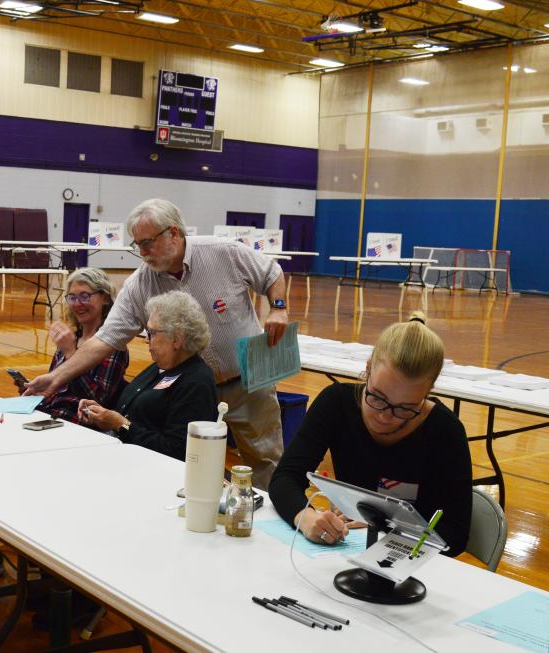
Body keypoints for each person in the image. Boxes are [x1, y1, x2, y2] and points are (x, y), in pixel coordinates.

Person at [25, 198, 288, 489]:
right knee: (194, 462)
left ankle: (269, 524)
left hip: (248, 379)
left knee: (264, 459)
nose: (142, 252)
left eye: (147, 242)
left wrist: (278, 307)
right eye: (137, 245)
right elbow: (105, 339)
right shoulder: (140, 284)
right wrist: (55, 378)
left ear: (173, 233)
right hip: (192, 391)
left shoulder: (222, 252)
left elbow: (272, 273)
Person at [268, 313, 472, 557]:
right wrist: (305, 516)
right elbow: (285, 478)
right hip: (347, 552)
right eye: (377, 397)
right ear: (367, 369)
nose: (385, 416)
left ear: (428, 392)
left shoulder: (445, 431)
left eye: (405, 409)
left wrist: (386, 531)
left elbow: (456, 533)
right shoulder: (336, 403)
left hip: (411, 564)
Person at [77, 291, 217, 459]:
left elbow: (177, 450)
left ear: (177, 339)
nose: (145, 339)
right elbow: (136, 408)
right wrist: (100, 412)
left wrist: (121, 425)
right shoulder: (160, 367)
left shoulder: (196, 382)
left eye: (151, 333)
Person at [12, 268, 128, 423]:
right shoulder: (71, 337)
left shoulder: (112, 345)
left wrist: (70, 353)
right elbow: (55, 390)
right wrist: (34, 392)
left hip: (75, 424)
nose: (78, 304)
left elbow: (97, 400)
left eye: (85, 296)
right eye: (72, 297)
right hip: (48, 416)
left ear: (105, 298)